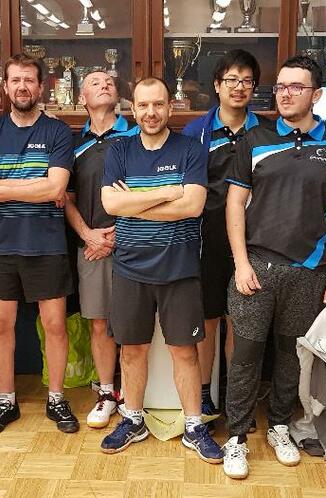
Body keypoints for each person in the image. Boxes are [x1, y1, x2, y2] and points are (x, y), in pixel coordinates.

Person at [220, 55, 326, 479]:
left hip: (310, 271)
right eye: (280, 86)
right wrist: (240, 263)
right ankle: (237, 437)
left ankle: (279, 425)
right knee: (245, 356)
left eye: (297, 87)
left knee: (290, 357)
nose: (286, 94)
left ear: (316, 94)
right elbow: (234, 204)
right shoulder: (254, 139)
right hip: (256, 268)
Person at [98, 77, 223, 464]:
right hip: (130, 267)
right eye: (143, 105)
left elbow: (193, 206)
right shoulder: (120, 150)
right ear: (132, 110)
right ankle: (132, 419)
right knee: (132, 350)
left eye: (157, 104)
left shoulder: (190, 149)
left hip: (179, 268)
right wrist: (167, 192)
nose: (150, 113)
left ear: (170, 107)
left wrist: (135, 201)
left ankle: (194, 426)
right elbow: (111, 206)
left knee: (184, 351)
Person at [0, 54, 79, 436]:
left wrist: (4, 188)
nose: (22, 87)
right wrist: (36, 187)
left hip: (47, 244)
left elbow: (56, 188)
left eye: (29, 80)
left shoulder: (58, 131)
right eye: (15, 80)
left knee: (54, 325)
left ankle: (56, 398)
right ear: (5, 86)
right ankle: (6, 400)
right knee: (0, 325)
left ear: (41, 86)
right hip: (1, 245)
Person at [182, 49, 272, 418]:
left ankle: (237, 396)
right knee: (207, 319)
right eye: (231, 80)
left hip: (255, 242)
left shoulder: (267, 132)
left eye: (247, 81)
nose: (239, 87)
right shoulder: (196, 132)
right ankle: (204, 393)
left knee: (241, 320)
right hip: (206, 239)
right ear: (217, 85)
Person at [65, 70, 139, 429]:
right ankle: (107, 393)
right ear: (82, 98)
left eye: (109, 81)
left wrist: (117, 235)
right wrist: (89, 235)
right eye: (94, 82)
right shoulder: (73, 145)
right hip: (92, 247)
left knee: (135, 323)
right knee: (100, 323)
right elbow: (67, 198)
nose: (104, 84)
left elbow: (147, 189)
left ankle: (135, 395)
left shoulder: (137, 135)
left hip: (136, 243)